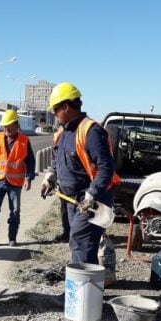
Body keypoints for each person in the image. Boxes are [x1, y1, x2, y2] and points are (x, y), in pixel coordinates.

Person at [40, 82, 120, 264]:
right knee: (78, 242)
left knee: (81, 241)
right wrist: (50, 177)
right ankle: (85, 285)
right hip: (71, 200)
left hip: (92, 200)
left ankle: (82, 288)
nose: (54, 114)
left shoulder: (91, 131)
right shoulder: (62, 133)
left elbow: (106, 167)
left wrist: (92, 194)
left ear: (66, 107)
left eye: (55, 109)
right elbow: (57, 159)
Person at [0, 109, 36, 247]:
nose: (6, 128)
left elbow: (30, 161)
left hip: (15, 183)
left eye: (9, 125)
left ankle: (12, 238)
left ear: (16, 124)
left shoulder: (24, 141)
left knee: (15, 211)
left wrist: (28, 178)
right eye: (4, 126)